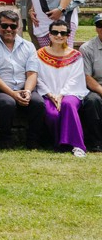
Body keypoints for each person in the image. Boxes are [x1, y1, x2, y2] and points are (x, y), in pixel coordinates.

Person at [0, 10, 45, 150]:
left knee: (38, 103)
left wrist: (27, 91)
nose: (8, 29)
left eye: (13, 26)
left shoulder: (28, 46)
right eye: (4, 26)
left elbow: (32, 73)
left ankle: (33, 141)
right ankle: (6, 140)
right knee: (7, 103)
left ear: (18, 27)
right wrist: (12, 94)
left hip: (23, 87)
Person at [34, 18, 88, 157]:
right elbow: (37, 77)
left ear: (68, 35)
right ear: (49, 34)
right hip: (48, 94)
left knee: (68, 104)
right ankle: (61, 144)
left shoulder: (76, 56)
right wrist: (50, 94)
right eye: (55, 32)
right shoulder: (39, 54)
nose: (59, 36)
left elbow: (75, 78)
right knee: (53, 115)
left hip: (70, 93)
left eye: (63, 33)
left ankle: (78, 146)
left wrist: (62, 94)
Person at [78, 14, 102, 152]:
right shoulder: (87, 48)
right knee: (93, 101)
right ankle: (95, 142)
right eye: (100, 25)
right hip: (95, 87)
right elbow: (87, 77)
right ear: (96, 28)